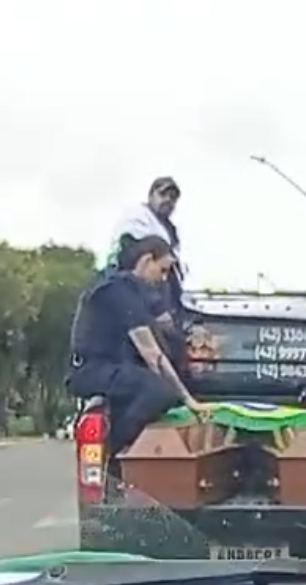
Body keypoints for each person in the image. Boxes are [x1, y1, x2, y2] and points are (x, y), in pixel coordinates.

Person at [67, 234, 212, 462]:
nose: (164, 279)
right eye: (162, 270)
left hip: (112, 368)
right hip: (93, 371)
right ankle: (113, 449)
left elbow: (158, 349)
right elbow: (152, 354)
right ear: (146, 261)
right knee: (160, 391)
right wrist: (187, 399)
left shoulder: (133, 292)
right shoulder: (118, 290)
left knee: (164, 387)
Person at [105, 177, 187, 370]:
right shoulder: (136, 221)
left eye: (173, 197)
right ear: (151, 195)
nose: (168, 200)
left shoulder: (169, 230)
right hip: (139, 305)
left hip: (163, 304)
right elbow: (136, 270)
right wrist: (157, 307)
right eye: (163, 194)